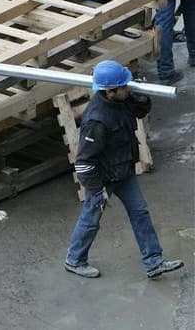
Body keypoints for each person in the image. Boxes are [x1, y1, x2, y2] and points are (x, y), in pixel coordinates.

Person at [64, 60, 184, 279]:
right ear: (110, 92)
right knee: (91, 219)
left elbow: (139, 111)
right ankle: (75, 260)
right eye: (124, 86)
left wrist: (142, 97)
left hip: (124, 171)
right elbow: (83, 161)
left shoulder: (122, 99)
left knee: (140, 213)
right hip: (102, 178)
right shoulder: (96, 120)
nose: (128, 88)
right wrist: (96, 190)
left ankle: (154, 262)